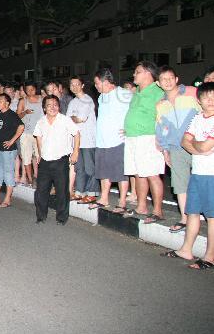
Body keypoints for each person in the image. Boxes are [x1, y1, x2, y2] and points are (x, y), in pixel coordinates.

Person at [164, 82, 214, 269]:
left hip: (212, 175)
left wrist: (198, 146)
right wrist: (200, 146)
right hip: (198, 172)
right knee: (192, 212)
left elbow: (204, 145)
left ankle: (210, 256)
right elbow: (185, 141)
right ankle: (186, 250)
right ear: (199, 100)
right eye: (207, 97)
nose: (211, 101)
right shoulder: (197, 118)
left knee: (212, 217)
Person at [155, 65, 200, 232]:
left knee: (204, 181)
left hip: (198, 144)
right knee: (180, 184)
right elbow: (161, 129)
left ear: (176, 79)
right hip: (176, 148)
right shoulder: (160, 104)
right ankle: (184, 218)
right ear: (158, 83)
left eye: (170, 78)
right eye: (163, 79)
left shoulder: (192, 93)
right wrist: (165, 150)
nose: (167, 81)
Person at [124, 61, 166, 223]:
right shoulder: (137, 93)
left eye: (137, 72)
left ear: (148, 73)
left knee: (151, 173)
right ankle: (141, 206)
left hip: (148, 137)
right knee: (138, 173)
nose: (134, 75)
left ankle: (158, 210)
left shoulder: (158, 91)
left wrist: (160, 137)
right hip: (132, 137)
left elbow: (164, 114)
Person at [90, 69, 133, 212]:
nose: (95, 86)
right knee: (103, 171)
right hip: (102, 141)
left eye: (97, 83)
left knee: (120, 173)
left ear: (106, 82)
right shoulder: (102, 97)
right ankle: (104, 198)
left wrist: (130, 129)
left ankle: (122, 202)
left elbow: (137, 110)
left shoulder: (123, 94)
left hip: (118, 141)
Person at [33, 95, 80, 225]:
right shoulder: (41, 122)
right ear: (44, 108)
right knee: (41, 190)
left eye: (55, 104)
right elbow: (38, 138)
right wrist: (39, 154)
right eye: (49, 105)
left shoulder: (65, 120)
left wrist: (75, 151)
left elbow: (76, 133)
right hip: (45, 161)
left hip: (61, 161)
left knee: (62, 191)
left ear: (59, 106)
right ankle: (41, 216)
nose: (52, 107)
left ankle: (61, 218)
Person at [67, 76, 98, 203]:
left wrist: (74, 118)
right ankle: (80, 192)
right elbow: (68, 120)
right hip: (76, 141)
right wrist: (74, 118)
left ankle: (92, 193)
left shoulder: (87, 100)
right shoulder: (72, 102)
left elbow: (80, 119)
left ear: (82, 85)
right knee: (79, 168)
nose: (74, 87)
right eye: (72, 84)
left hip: (88, 139)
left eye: (77, 84)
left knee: (90, 168)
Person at [0, 93, 24, 208]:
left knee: (8, 173)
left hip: (8, 151)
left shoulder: (11, 115)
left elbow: (21, 126)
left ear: (7, 103)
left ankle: (7, 199)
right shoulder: (1, 115)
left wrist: (12, 141)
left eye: (0, 101)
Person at [17, 82, 44, 187]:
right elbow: (17, 116)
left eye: (32, 89)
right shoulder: (23, 101)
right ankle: (30, 179)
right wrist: (25, 112)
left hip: (39, 134)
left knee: (40, 156)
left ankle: (40, 178)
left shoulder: (42, 99)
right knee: (26, 157)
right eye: (27, 90)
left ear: (35, 89)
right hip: (26, 133)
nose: (30, 92)